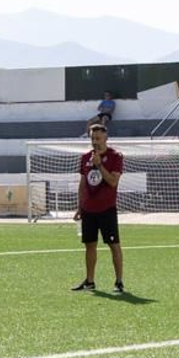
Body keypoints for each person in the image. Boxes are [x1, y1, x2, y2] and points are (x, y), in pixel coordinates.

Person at [70, 117, 125, 293]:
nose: (95, 142)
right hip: (88, 210)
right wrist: (80, 207)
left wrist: (100, 165)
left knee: (113, 245)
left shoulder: (115, 156)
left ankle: (118, 282)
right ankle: (90, 281)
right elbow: (83, 183)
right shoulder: (85, 158)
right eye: (92, 139)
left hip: (107, 209)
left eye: (98, 138)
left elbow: (112, 182)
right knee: (89, 245)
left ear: (105, 138)